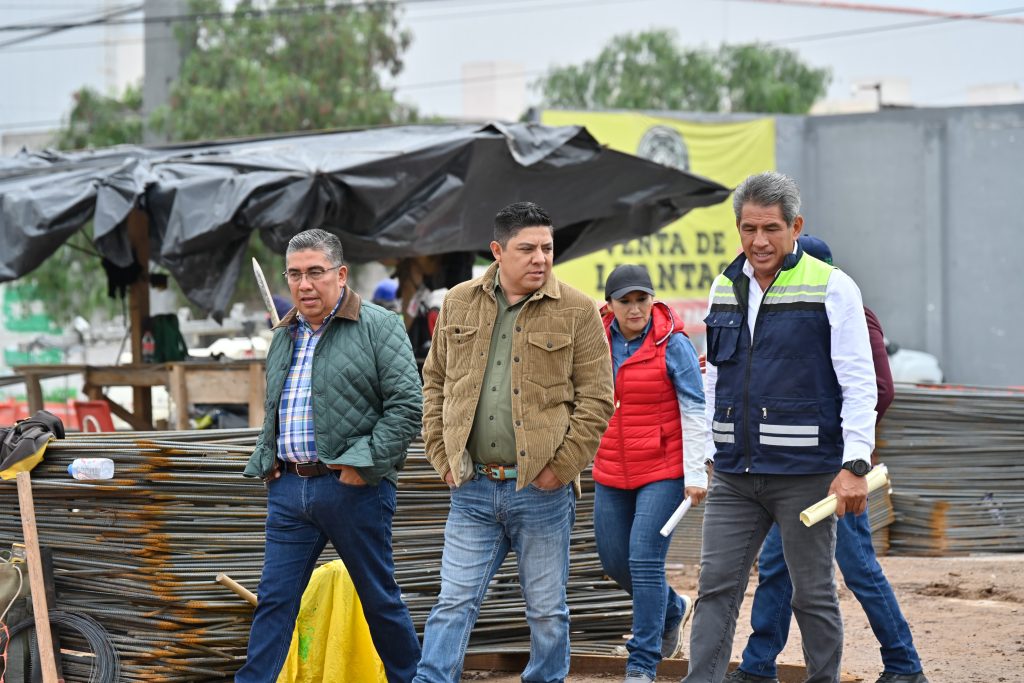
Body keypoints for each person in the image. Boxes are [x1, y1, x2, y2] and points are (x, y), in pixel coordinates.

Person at [684, 172, 878, 683]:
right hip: (734, 475)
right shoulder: (724, 286)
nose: (759, 241)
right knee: (716, 589)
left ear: (796, 226)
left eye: (771, 228)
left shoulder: (833, 287)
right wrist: (704, 451)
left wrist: (855, 463)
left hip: (805, 476)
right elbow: (713, 378)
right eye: (748, 229)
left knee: (811, 594)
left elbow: (860, 382)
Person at [416, 201, 615, 683]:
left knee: (547, 610)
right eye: (527, 249)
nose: (540, 259)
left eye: (547, 248)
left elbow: (598, 400)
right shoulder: (460, 303)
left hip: (542, 493)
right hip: (472, 489)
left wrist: (559, 470)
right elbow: (435, 382)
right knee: (453, 602)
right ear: (497, 252)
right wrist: (443, 458)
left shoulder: (578, 310)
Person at [727, 235, 929, 683]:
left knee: (857, 566)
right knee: (778, 567)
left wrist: (846, 451)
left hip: (835, 471)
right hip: (793, 468)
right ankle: (758, 666)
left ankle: (904, 665)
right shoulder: (780, 315)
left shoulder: (851, 312)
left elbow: (879, 389)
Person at [238, 229, 422, 683]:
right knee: (275, 600)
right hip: (289, 490)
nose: (304, 285)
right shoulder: (284, 335)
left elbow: (407, 407)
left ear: (340, 275)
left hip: (351, 489)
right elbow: (277, 406)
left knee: (377, 597)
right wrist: (270, 458)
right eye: (295, 274)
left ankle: (412, 678)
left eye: (316, 273)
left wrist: (364, 465)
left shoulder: (379, 325)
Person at [593, 264, 709, 683]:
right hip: (610, 468)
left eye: (642, 299)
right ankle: (674, 607)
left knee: (643, 559)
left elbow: (695, 409)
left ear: (652, 300)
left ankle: (641, 663)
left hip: (662, 469)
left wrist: (696, 472)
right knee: (613, 559)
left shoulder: (671, 342)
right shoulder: (595, 341)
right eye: (626, 301)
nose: (635, 308)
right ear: (611, 305)